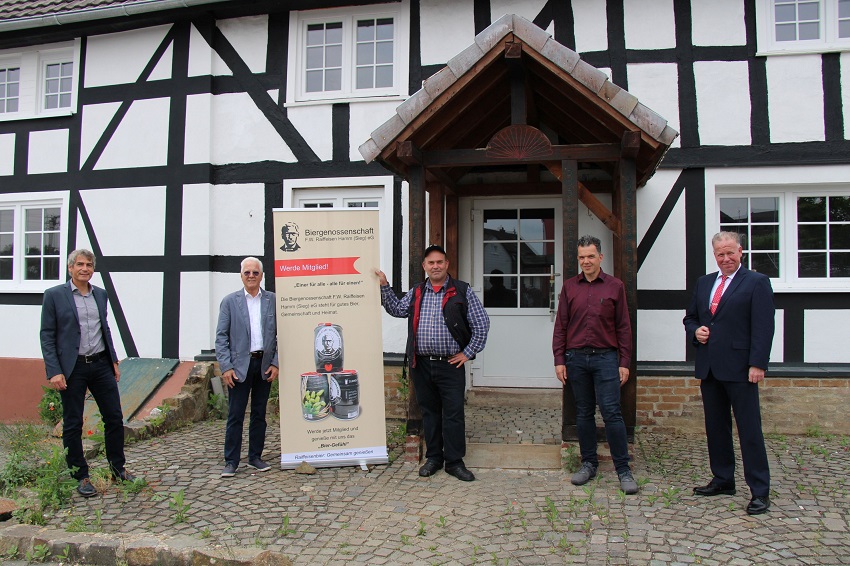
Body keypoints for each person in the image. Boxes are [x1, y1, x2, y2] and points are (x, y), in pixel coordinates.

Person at [376, 245, 490, 481]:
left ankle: (455, 462)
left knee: (453, 414)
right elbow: (397, 309)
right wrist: (385, 286)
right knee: (430, 413)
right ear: (424, 267)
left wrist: (468, 353)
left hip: (451, 365)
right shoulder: (418, 291)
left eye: (440, 262)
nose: (435, 266)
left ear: (447, 264)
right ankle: (434, 458)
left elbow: (482, 324)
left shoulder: (462, 291)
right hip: (423, 364)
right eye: (431, 263)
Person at [683, 231, 774, 515]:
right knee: (716, 427)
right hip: (710, 367)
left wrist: (758, 364)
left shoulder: (757, 282)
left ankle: (760, 491)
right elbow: (691, 318)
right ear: (715, 255)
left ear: (740, 252)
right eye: (720, 254)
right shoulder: (704, 282)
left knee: (749, 431)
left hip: (741, 368)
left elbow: (763, 326)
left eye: (730, 253)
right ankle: (723, 479)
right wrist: (695, 332)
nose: (725, 258)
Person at [40, 249, 138, 498]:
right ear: (71, 268)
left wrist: (113, 360)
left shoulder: (100, 295)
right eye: (80, 264)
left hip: (101, 364)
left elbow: (104, 328)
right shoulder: (54, 296)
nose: (85, 268)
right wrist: (54, 371)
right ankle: (80, 475)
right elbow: (47, 336)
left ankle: (118, 468)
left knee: (114, 418)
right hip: (73, 367)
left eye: (89, 265)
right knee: (73, 423)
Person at [552, 235, 637, 494]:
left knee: (611, 412)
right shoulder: (569, 287)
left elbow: (623, 326)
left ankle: (623, 469)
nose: (586, 261)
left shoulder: (615, 286)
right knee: (584, 413)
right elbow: (561, 325)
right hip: (576, 358)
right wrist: (559, 359)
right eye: (581, 257)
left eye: (590, 256)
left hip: (606, 358)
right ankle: (588, 463)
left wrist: (624, 361)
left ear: (600, 257)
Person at [215, 257, 279, 477]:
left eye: (255, 272)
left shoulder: (272, 300)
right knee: (235, 415)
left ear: (261, 276)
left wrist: (276, 363)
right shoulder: (229, 302)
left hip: (263, 365)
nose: (251, 276)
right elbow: (221, 337)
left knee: (259, 414)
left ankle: (255, 457)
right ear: (241, 275)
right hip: (239, 367)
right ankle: (231, 461)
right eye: (247, 273)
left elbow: (281, 335)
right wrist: (226, 367)